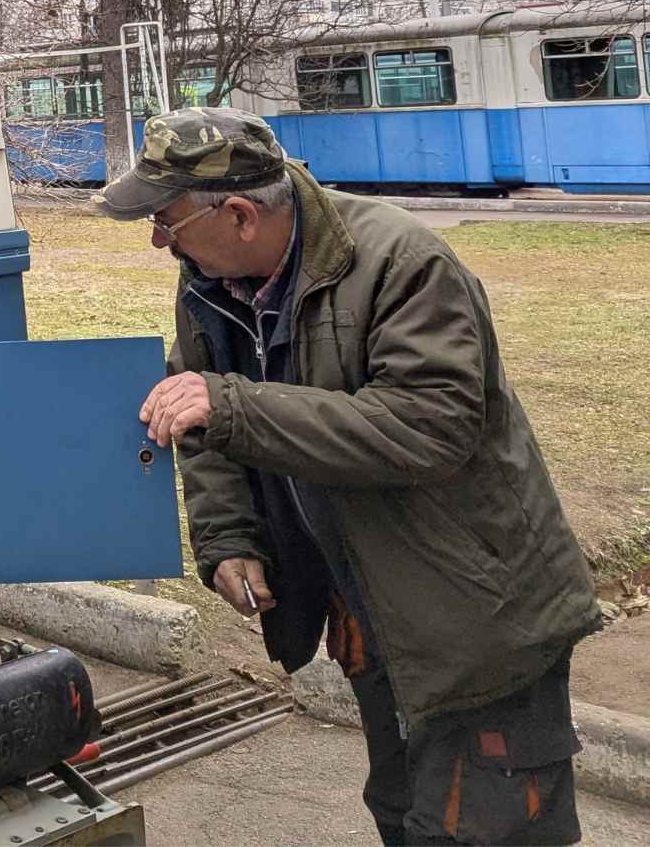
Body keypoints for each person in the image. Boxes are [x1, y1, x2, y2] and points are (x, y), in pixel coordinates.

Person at [102, 107, 601, 847]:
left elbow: (430, 427)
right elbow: (199, 420)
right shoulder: (209, 281)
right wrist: (230, 538)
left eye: (166, 221)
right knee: (402, 813)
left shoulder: (404, 263)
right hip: (369, 607)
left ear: (239, 214)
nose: (156, 239)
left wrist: (235, 404)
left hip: (476, 618)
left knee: (483, 831)